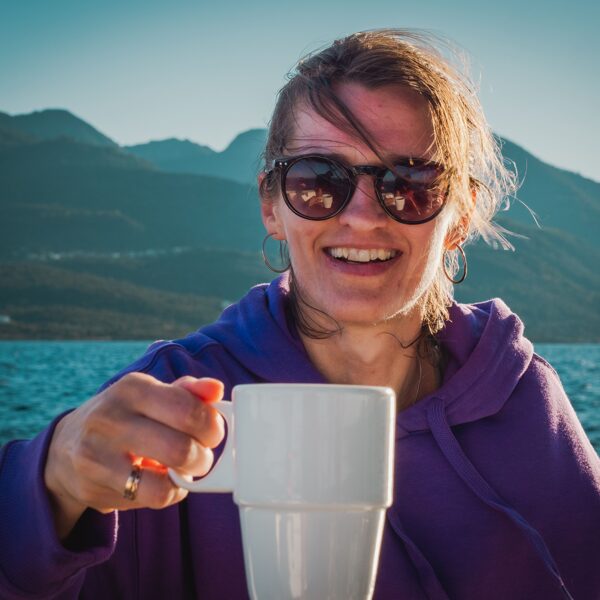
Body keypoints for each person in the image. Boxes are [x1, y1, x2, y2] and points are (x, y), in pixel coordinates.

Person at [1, 29, 598, 600]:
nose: (362, 216)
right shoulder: (170, 398)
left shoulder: (521, 395)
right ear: (272, 205)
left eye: (410, 183)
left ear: (460, 216)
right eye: (319, 181)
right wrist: (53, 482)